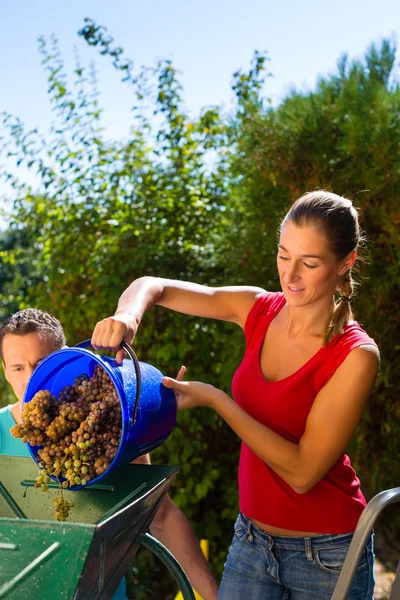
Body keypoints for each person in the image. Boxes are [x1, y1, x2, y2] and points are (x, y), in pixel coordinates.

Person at [92, 190, 380, 600]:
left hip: (328, 553)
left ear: (345, 263)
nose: (290, 274)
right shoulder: (258, 308)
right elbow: (151, 285)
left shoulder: (355, 355)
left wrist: (217, 400)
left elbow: (301, 474)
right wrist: (128, 315)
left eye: (309, 263)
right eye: (284, 255)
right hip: (252, 540)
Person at [0, 308, 218, 600]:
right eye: (17, 368)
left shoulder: (107, 432)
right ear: (5, 371)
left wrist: (215, 594)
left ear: (64, 357)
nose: (29, 379)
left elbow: (161, 516)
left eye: (40, 364)